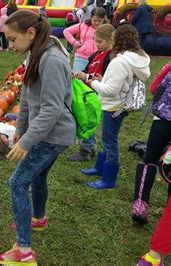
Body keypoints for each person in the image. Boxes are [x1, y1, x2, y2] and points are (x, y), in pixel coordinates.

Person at [0, 10, 76, 265]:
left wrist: (28, 141)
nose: (11, 45)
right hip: (46, 132)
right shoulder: (36, 53)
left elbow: (51, 108)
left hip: (54, 135)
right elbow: (28, 95)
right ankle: (38, 218)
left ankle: (24, 250)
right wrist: (21, 126)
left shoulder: (51, 59)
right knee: (38, 176)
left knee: (17, 183)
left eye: (13, 39)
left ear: (30, 33)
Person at [81, 24, 150, 190]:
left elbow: (111, 90)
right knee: (107, 139)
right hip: (119, 104)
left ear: (117, 39)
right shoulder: (133, 58)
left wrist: (94, 82)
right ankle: (100, 168)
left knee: (109, 142)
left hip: (114, 107)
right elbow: (119, 83)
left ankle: (109, 179)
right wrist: (103, 79)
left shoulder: (119, 61)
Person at [66, 24, 114, 161]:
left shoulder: (111, 58)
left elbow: (111, 79)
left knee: (88, 120)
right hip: (89, 92)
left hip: (99, 95)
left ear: (111, 40)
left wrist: (100, 80)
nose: (96, 44)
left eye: (100, 42)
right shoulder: (96, 54)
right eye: (95, 41)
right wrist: (82, 74)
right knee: (86, 118)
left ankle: (85, 150)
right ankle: (90, 147)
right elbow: (89, 70)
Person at [132, 64, 171, 225]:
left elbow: (155, 88)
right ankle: (168, 216)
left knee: (150, 159)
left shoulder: (169, 66)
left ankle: (140, 205)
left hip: (162, 119)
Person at [64, 7, 107, 73]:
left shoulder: (107, 29)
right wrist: (74, 42)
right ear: (91, 18)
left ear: (104, 19)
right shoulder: (83, 25)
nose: (96, 23)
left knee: (91, 81)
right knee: (77, 79)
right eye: (94, 20)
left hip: (97, 59)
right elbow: (66, 31)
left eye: (99, 21)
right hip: (81, 57)